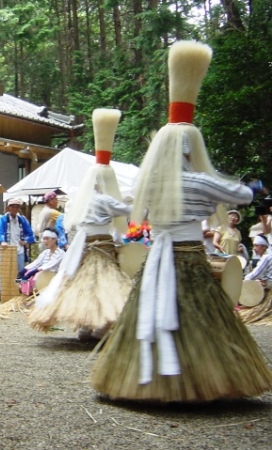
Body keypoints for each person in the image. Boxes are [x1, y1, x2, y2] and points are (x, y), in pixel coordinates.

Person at [92, 41, 272, 403]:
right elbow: (241, 195)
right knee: (200, 316)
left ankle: (141, 381)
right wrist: (252, 187)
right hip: (189, 258)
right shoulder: (199, 181)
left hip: (158, 259)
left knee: (148, 312)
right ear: (191, 148)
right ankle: (202, 380)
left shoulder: (149, 183)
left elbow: (132, 209)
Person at [28, 108, 132, 338]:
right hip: (102, 247)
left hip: (83, 247)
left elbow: (70, 223)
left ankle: (86, 325)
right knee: (103, 285)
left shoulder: (78, 200)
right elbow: (129, 211)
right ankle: (99, 325)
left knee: (81, 283)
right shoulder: (106, 200)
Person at [0, 198, 36, 302]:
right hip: (6, 250)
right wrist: (1, 242)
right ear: (8, 208)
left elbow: (30, 234)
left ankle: (18, 291)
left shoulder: (22, 220)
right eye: (13, 206)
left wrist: (25, 241)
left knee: (19, 272)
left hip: (19, 250)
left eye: (17, 207)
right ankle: (0, 292)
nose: (15, 209)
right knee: (4, 272)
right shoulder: (3, 219)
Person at [16, 228, 64, 295]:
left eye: (47, 239)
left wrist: (34, 271)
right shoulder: (45, 252)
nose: (45, 241)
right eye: (44, 239)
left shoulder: (61, 253)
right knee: (26, 278)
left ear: (54, 239)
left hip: (55, 280)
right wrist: (24, 270)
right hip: (43, 279)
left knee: (33, 275)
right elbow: (36, 263)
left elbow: (49, 265)